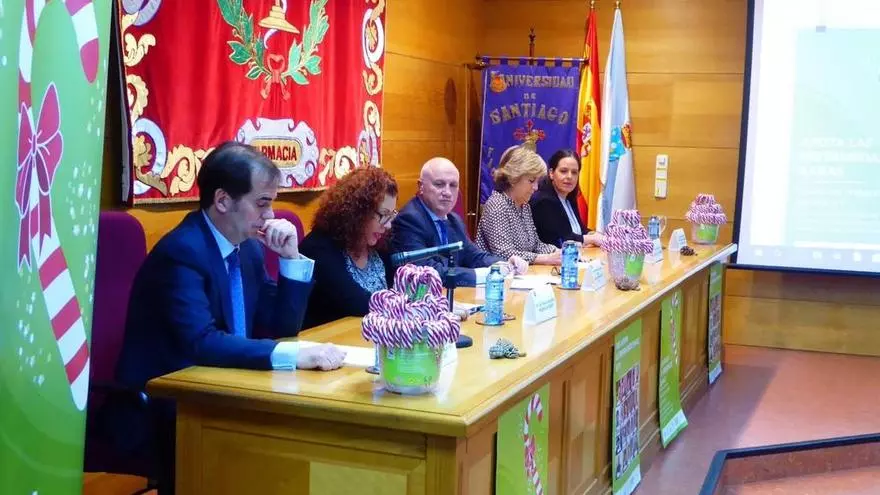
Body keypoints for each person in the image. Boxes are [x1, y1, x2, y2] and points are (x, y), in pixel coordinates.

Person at [112, 141, 344, 493]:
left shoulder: (247, 249)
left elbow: (282, 326)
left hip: (221, 389)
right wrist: (293, 355)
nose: (270, 216)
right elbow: (201, 343)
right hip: (164, 407)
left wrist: (291, 259)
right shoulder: (182, 253)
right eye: (262, 203)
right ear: (222, 200)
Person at [391, 157, 528, 286]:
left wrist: (503, 264)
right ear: (421, 186)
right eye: (439, 184)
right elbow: (427, 273)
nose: (447, 192)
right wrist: (481, 275)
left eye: (453, 185)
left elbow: (473, 255)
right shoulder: (408, 220)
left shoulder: (454, 219)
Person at [299, 166, 398, 329]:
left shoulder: (379, 242)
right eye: (383, 215)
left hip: (376, 334)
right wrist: (402, 305)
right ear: (358, 212)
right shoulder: (318, 247)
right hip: (331, 339)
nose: (388, 225)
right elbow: (357, 304)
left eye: (391, 215)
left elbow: (401, 285)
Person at [476, 146, 561, 265]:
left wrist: (560, 252)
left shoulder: (524, 206)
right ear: (514, 178)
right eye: (531, 181)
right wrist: (545, 259)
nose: (536, 188)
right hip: (496, 274)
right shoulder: (497, 205)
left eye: (537, 182)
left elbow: (535, 245)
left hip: (522, 272)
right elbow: (503, 253)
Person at [530, 149, 604, 248]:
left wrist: (595, 234)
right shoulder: (544, 201)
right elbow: (562, 238)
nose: (569, 176)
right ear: (551, 173)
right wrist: (592, 239)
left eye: (574, 172)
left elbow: (581, 230)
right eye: (563, 171)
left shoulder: (569, 198)